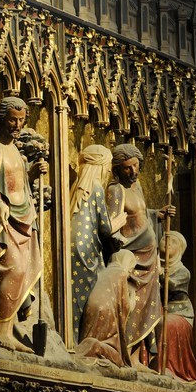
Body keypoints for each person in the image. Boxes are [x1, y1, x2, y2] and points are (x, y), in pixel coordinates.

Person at [77, 143, 174, 368]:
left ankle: (136, 356)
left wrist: (157, 214)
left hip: (148, 257)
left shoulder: (137, 187)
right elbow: (113, 224)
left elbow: (140, 214)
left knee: (147, 307)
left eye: (136, 166)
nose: (133, 172)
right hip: (131, 257)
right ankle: (127, 355)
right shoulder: (116, 190)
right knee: (130, 306)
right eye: (127, 168)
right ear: (117, 170)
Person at [0, 97, 42, 353]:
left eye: (21, 120)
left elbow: (19, 184)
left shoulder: (17, 153)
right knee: (15, 269)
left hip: (24, 219)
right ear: (1, 119)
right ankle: (1, 330)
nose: (17, 125)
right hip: (3, 221)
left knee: (25, 270)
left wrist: (32, 175)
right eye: (12, 119)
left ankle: (7, 329)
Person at [68, 144, 125, 343]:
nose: (109, 170)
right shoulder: (97, 189)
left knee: (75, 296)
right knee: (86, 297)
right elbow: (105, 228)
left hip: (75, 246)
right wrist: (118, 222)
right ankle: (80, 341)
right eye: (108, 165)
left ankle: (73, 338)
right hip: (86, 249)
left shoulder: (77, 188)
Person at [157, 231, 196, 383]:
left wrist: (159, 274)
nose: (168, 242)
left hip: (180, 314)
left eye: (173, 242)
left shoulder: (183, 271)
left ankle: (168, 366)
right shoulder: (153, 265)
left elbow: (171, 285)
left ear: (180, 249)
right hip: (159, 310)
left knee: (165, 325)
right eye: (166, 239)